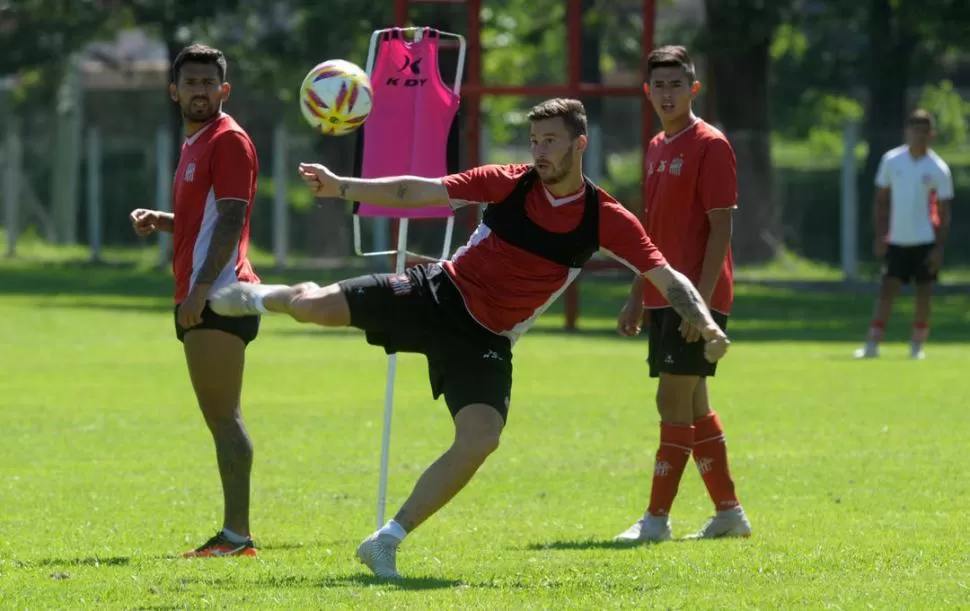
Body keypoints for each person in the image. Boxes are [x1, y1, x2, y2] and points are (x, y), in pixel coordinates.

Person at [207, 98, 731, 578]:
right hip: (440, 292)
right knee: (313, 307)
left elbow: (668, 277)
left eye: (551, 141)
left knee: (481, 437)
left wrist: (705, 321)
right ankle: (257, 294)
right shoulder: (509, 181)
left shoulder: (605, 218)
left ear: (580, 144)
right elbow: (417, 190)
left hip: (489, 336)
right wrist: (343, 185)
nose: (540, 152)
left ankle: (386, 539)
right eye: (535, 141)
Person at [128, 43, 262, 557]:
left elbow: (232, 217)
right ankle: (235, 535)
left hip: (219, 294)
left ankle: (235, 536)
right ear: (175, 91)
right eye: (191, 83)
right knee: (221, 415)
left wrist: (202, 289)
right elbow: (206, 217)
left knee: (223, 416)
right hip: (205, 290)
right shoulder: (196, 141)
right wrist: (162, 221)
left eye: (209, 83)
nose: (200, 91)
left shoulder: (228, 141)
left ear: (224, 89)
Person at [614, 45, 751, 542]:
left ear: (693, 89)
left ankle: (655, 521)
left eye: (677, 84)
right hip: (662, 295)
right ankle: (729, 514)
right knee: (692, 405)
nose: (667, 93)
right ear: (647, 91)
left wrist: (704, 308)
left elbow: (721, 231)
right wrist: (636, 293)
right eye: (659, 85)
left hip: (696, 298)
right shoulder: (655, 146)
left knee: (669, 400)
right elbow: (650, 232)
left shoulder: (710, 144)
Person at [854, 109, 954, 360]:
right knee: (887, 289)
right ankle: (873, 343)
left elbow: (944, 211)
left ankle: (917, 345)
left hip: (924, 240)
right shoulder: (892, 161)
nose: (918, 136)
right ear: (907, 132)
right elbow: (880, 200)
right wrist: (879, 235)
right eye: (914, 130)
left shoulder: (938, 168)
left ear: (931, 135)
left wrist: (938, 248)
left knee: (924, 292)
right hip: (897, 238)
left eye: (924, 131)